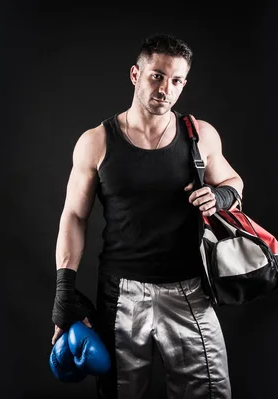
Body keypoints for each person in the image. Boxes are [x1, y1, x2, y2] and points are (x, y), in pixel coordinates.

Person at [51, 33, 244, 399]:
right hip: (121, 293)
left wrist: (220, 195)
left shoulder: (199, 135)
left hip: (189, 290)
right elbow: (74, 216)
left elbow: (235, 183)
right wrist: (64, 289)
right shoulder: (97, 141)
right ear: (135, 75)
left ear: (183, 84)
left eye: (176, 81)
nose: (165, 89)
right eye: (156, 76)